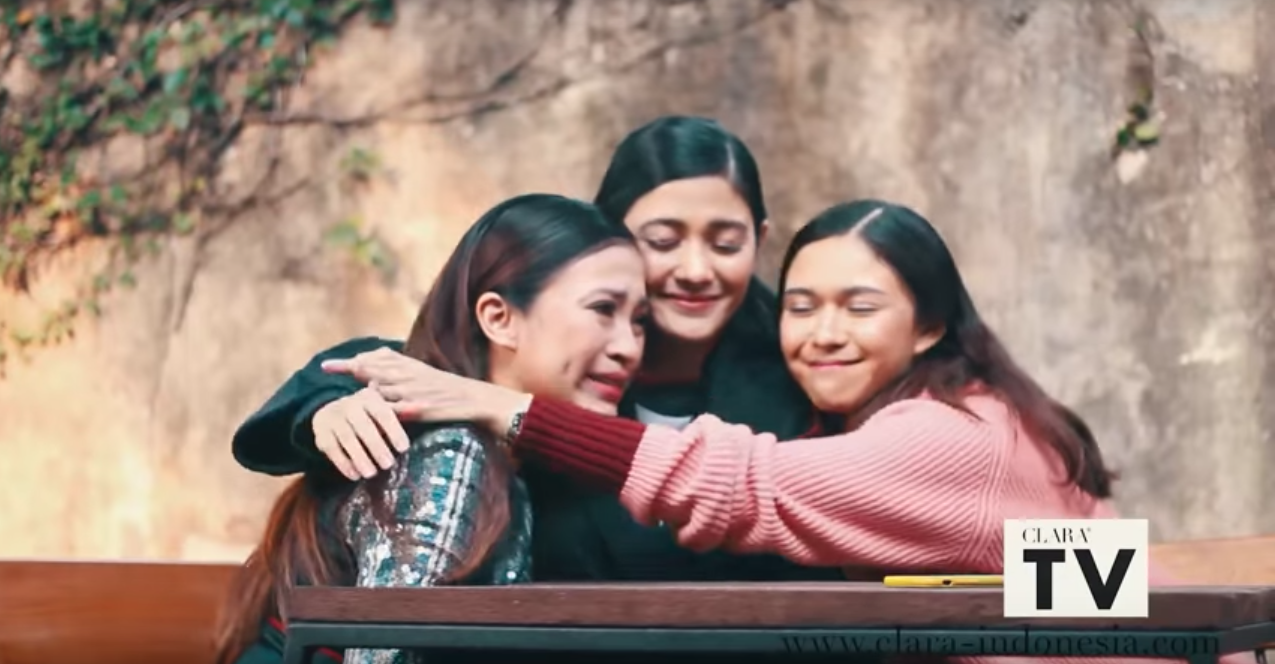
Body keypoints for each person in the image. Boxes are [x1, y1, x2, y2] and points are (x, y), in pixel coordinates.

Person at [323, 199, 1243, 664]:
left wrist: (507, 407)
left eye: (859, 305)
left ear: (927, 324)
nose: (823, 332)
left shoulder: (952, 434)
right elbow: (1096, 568)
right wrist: (315, 402)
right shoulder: (986, 413)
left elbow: (748, 483)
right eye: (800, 305)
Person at [229, 115, 838, 583]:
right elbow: (423, 360)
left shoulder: (794, 378)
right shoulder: (563, 363)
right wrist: (328, 404)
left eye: (726, 244)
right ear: (608, 238)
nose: (696, 270)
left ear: (759, 241)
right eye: (662, 241)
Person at [214, 194, 649, 664]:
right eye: (603, 309)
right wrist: (320, 409)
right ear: (499, 319)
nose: (629, 347)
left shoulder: (514, 459)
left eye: (640, 321)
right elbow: (386, 655)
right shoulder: (451, 453)